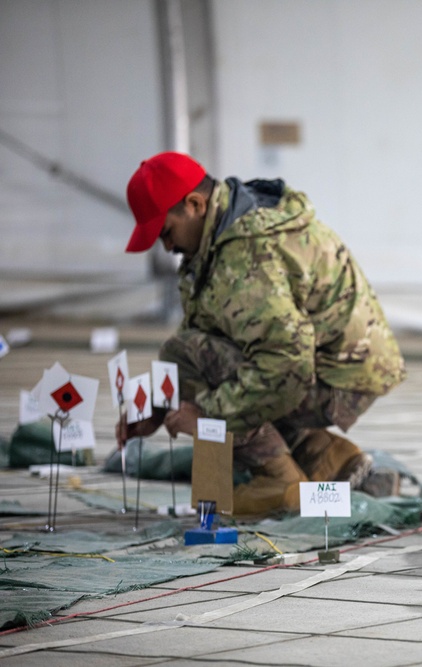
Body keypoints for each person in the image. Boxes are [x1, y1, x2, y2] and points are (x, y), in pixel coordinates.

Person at [118, 152, 406, 513]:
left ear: (195, 204)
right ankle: (324, 454)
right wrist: (159, 406)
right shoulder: (228, 229)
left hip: (331, 379)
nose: (167, 247)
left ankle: (281, 481)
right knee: (191, 358)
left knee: (185, 358)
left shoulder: (245, 253)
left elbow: (286, 366)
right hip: (343, 370)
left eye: (166, 232)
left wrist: (207, 414)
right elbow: (210, 331)